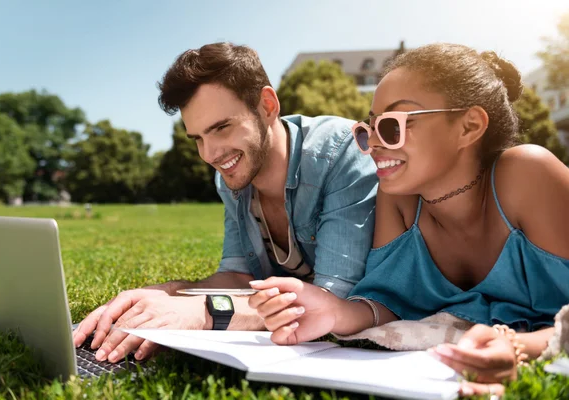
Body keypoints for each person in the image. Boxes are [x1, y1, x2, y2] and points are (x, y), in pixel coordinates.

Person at [248, 43, 569, 397]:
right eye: (368, 129)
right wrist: (334, 311)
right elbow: (388, 303)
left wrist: (520, 347)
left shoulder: (528, 176)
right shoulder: (398, 199)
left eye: (393, 125)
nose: (373, 145)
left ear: (469, 126)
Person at [72, 42, 379, 364]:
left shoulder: (342, 151)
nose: (210, 154)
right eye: (198, 138)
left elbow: (332, 299)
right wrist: (166, 293)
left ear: (267, 105)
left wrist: (204, 313)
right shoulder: (232, 179)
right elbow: (237, 276)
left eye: (221, 128)